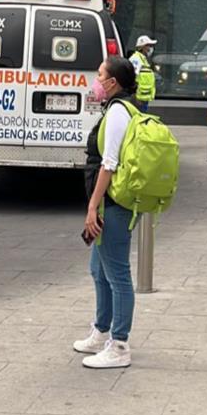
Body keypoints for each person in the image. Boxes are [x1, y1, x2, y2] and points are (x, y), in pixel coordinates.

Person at [77, 57, 140, 369]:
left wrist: (92, 206)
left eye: (99, 74)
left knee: (117, 275)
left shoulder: (117, 112)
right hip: (110, 203)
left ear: (113, 82)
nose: (96, 80)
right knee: (98, 270)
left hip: (113, 205)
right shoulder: (120, 108)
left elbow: (109, 163)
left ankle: (119, 344)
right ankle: (101, 331)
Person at [129, 35, 157, 112]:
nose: (151, 48)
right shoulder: (136, 59)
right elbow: (132, 78)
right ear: (142, 47)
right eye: (149, 46)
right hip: (138, 100)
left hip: (143, 99)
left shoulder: (143, 60)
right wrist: (134, 98)